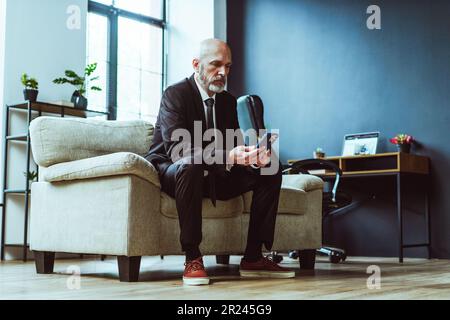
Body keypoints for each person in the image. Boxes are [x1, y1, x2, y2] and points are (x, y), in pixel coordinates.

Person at [145, 39, 294, 285]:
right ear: (196, 65)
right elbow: (179, 149)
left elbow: (232, 145)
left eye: (228, 66)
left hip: (214, 173)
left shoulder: (227, 101)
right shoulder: (175, 94)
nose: (223, 72)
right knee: (191, 165)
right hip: (175, 171)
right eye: (215, 65)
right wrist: (228, 156)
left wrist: (251, 157)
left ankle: (254, 257)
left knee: (271, 167)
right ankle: (192, 257)